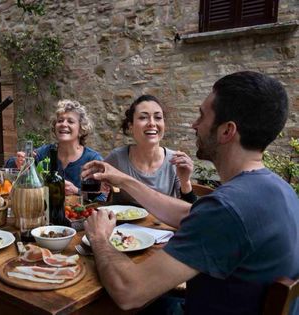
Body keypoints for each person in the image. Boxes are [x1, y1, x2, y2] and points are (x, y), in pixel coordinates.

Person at [82, 71, 299, 315]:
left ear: (227, 131)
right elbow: (190, 213)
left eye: (202, 116)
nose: (194, 124)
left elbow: (129, 291)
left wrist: (99, 237)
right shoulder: (279, 190)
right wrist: (124, 179)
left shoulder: (225, 210)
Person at [104, 95, 196, 206]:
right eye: (143, 117)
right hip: (123, 223)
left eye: (158, 118)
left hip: (162, 223)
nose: (152, 123)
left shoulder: (175, 161)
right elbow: (93, 192)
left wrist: (185, 182)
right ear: (131, 126)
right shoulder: (117, 158)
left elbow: (190, 210)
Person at [5, 99, 103, 197]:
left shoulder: (92, 159)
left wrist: (77, 191)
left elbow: (103, 197)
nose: (63, 124)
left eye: (70, 121)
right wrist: (19, 161)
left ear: (81, 129)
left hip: (79, 212)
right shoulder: (44, 153)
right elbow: (9, 167)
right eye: (60, 121)